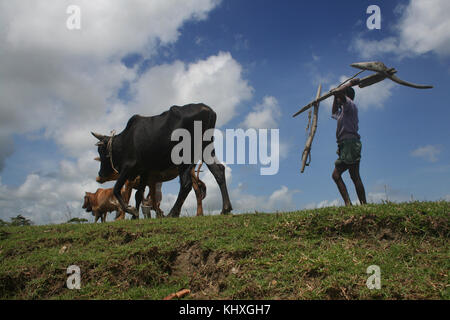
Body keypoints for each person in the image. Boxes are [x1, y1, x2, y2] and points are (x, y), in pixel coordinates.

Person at [331, 79, 367, 206]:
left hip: (350, 144)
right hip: (346, 145)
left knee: (337, 175)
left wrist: (350, 84)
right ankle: (362, 204)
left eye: (340, 97)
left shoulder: (350, 105)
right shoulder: (342, 112)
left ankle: (349, 204)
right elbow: (334, 112)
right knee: (354, 176)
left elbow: (340, 93)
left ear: (346, 96)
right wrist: (334, 96)